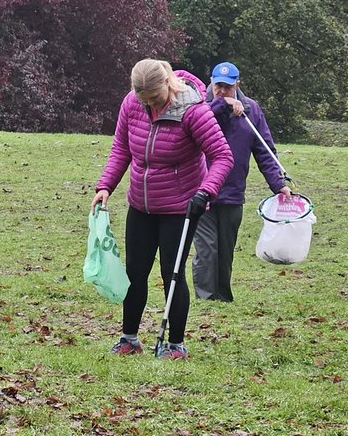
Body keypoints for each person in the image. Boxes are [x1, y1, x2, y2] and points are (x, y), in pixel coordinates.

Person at [92, 59, 233, 359]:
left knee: (173, 273)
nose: (150, 105)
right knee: (135, 271)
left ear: (168, 84)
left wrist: (205, 191)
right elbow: (121, 148)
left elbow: (222, 156)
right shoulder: (132, 104)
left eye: (155, 99)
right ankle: (129, 338)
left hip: (181, 207)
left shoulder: (193, 110)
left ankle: (175, 344)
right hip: (140, 204)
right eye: (144, 101)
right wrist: (105, 186)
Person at [192, 61, 292, 302]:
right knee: (206, 249)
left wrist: (279, 184)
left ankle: (223, 297)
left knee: (225, 250)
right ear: (211, 83)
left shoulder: (251, 110)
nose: (222, 91)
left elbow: (265, 150)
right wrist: (220, 106)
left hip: (233, 192)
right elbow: (194, 130)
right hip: (201, 190)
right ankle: (206, 299)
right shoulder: (200, 106)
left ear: (238, 84)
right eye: (218, 86)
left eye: (227, 87)